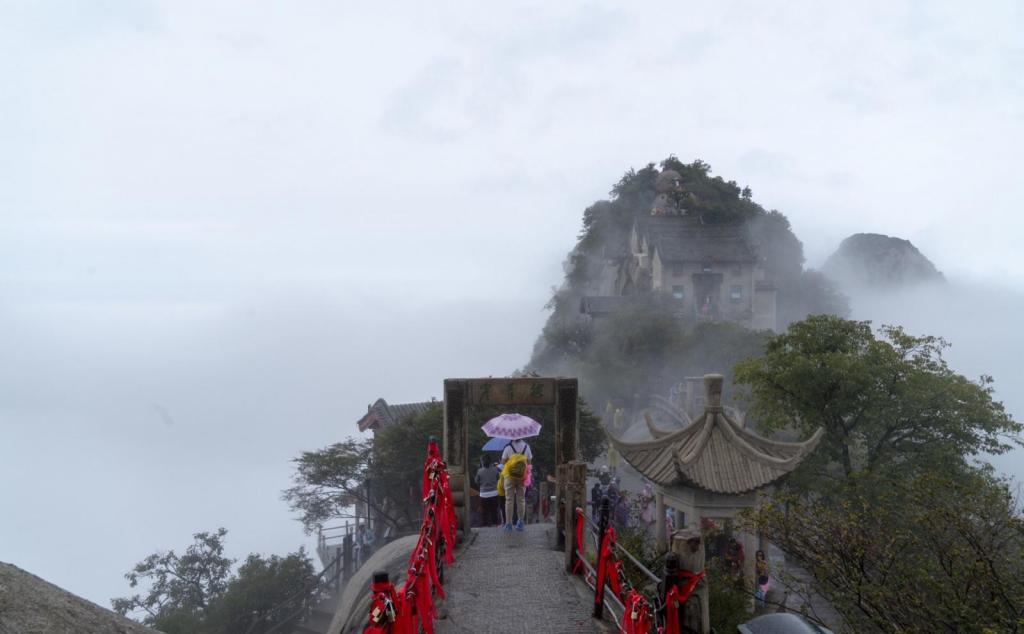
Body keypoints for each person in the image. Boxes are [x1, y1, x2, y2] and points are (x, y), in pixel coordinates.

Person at [498, 450, 529, 532]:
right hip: (522, 475)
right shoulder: (526, 447)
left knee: (509, 500)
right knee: (521, 499)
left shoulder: (508, 447)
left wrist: (511, 462)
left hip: (509, 475)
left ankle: (509, 524)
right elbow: (529, 462)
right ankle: (520, 523)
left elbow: (503, 462)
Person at [475, 456, 501, 527]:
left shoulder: (479, 471)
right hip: (494, 493)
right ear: (490, 462)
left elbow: (476, 481)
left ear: (483, 462)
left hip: (483, 494)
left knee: (485, 511)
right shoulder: (495, 470)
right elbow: (498, 478)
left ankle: (485, 525)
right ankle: (495, 524)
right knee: (494, 510)